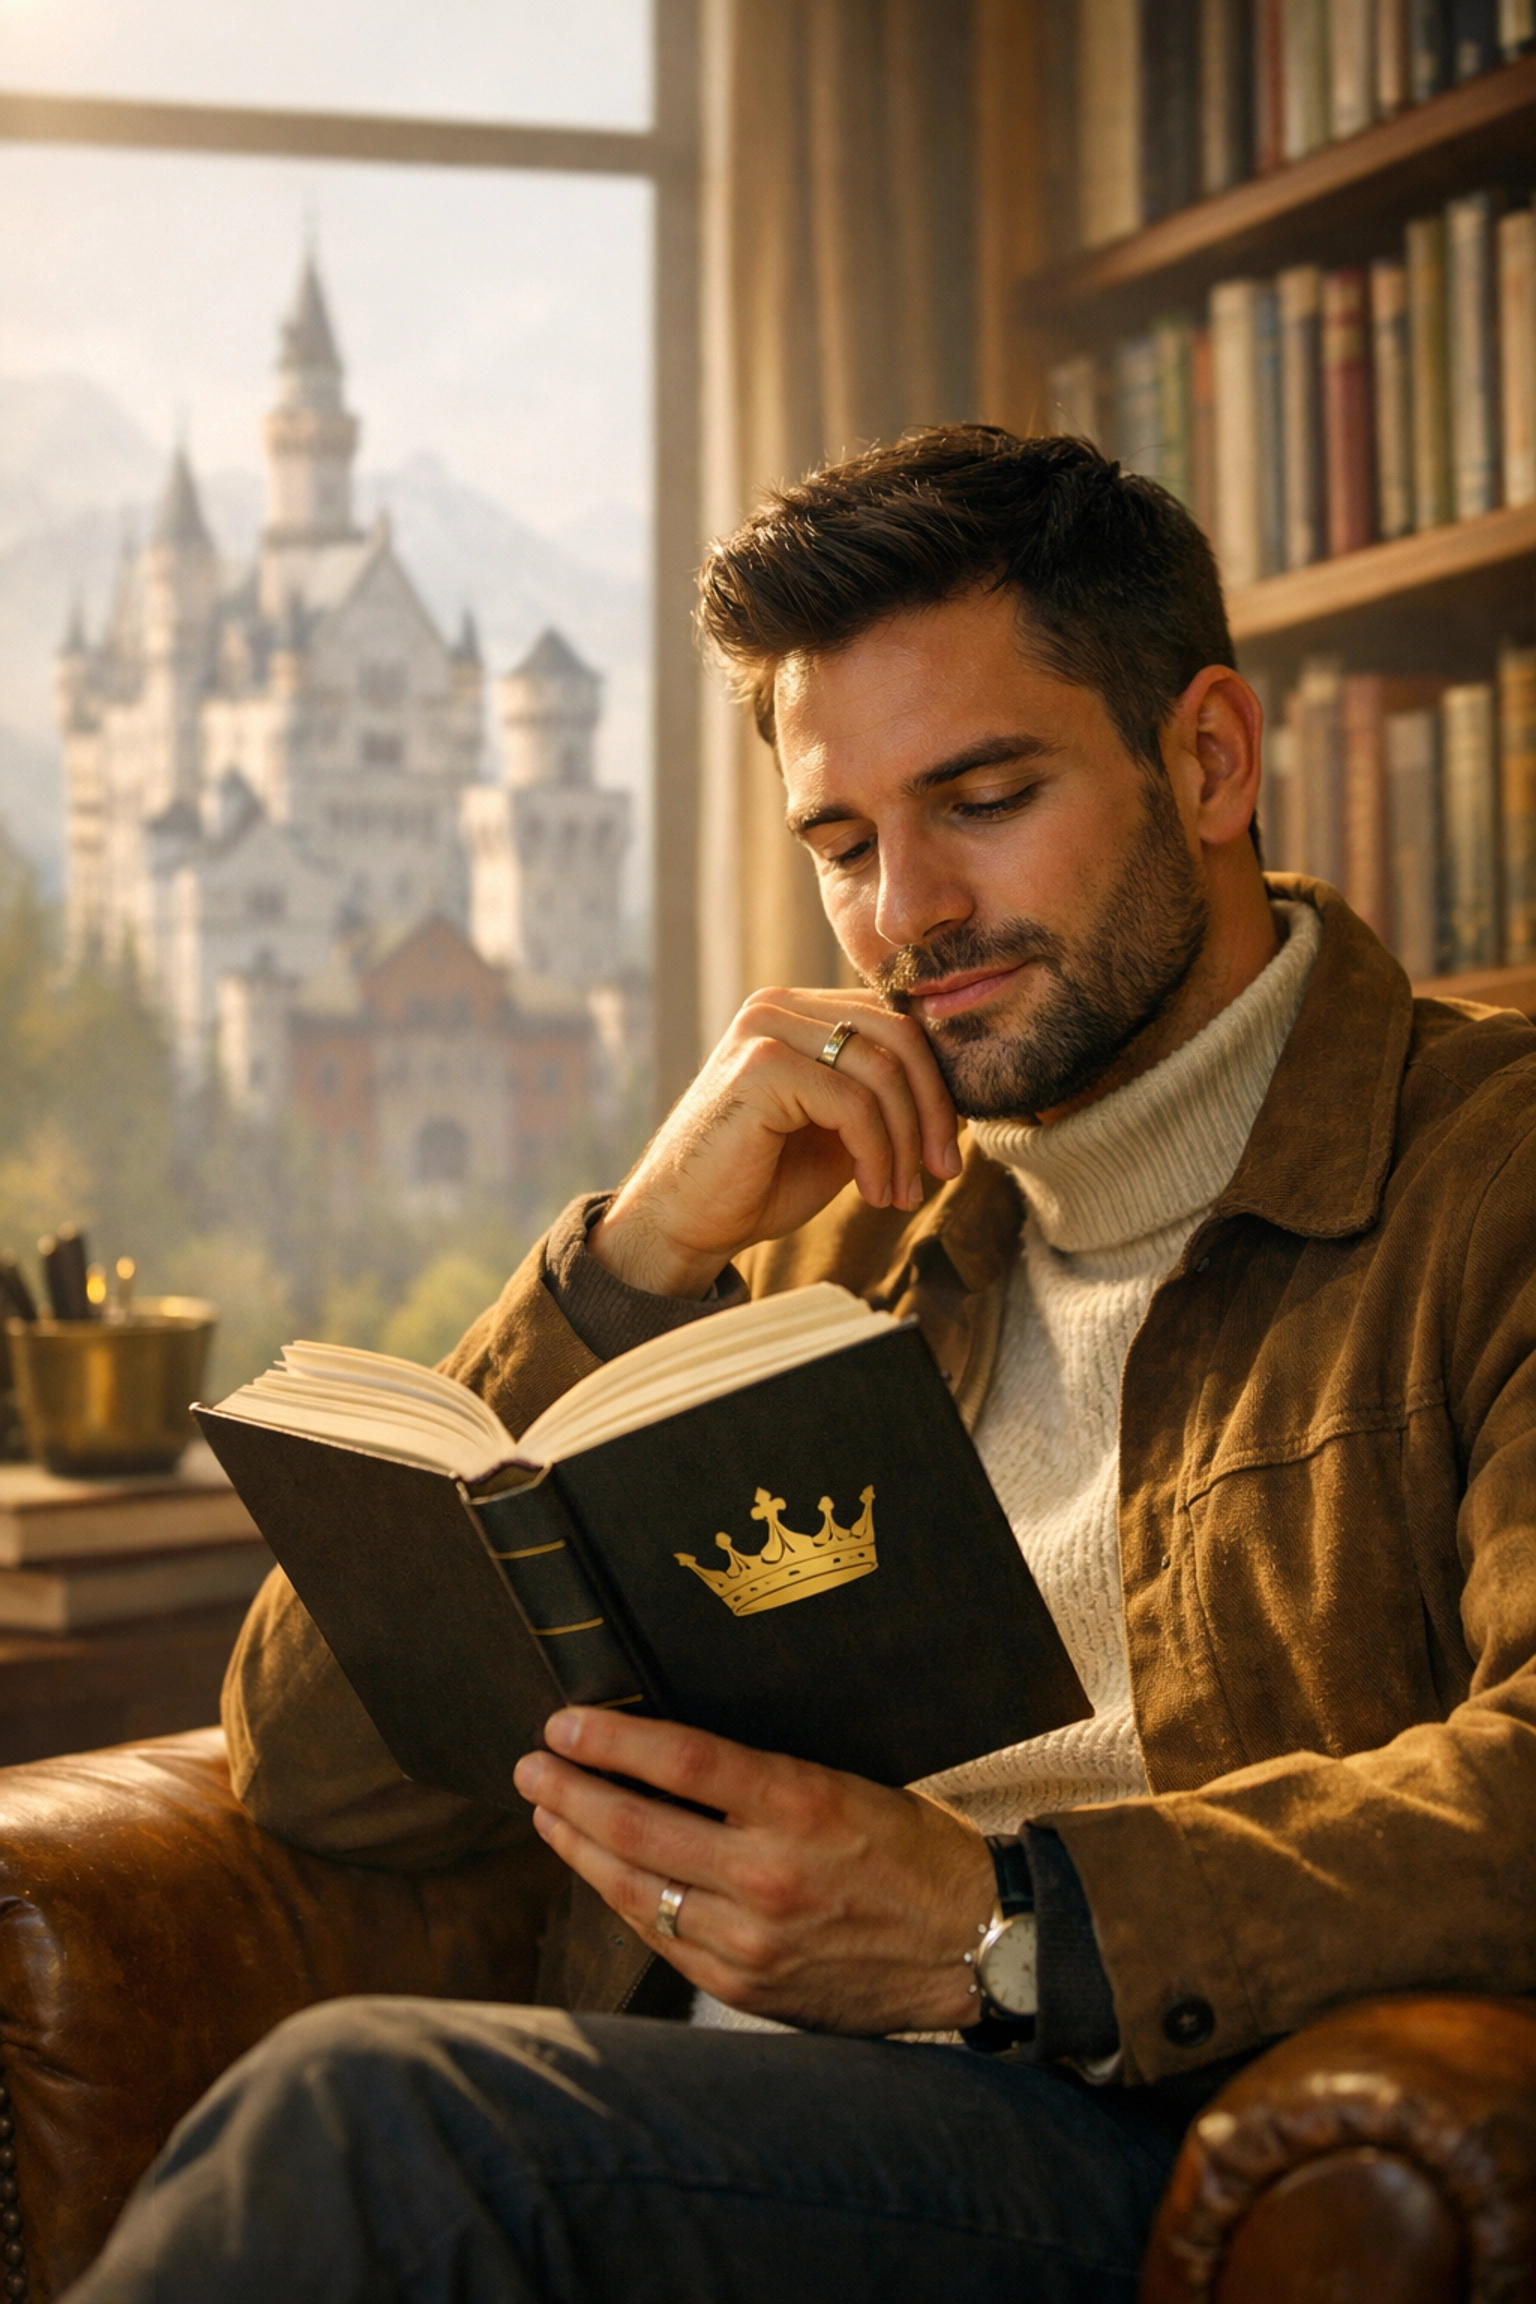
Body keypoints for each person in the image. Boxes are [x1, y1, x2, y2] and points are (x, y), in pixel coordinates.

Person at [67, 429, 1536, 2304]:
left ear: (1211, 758)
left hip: (1133, 2145)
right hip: (700, 2113)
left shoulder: (1493, 1181)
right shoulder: (832, 1228)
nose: (906, 914)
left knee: (379, 2130)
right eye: (843, 844)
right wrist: (634, 1263)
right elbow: (319, 1775)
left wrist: (1003, 1933)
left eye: (985, 798)